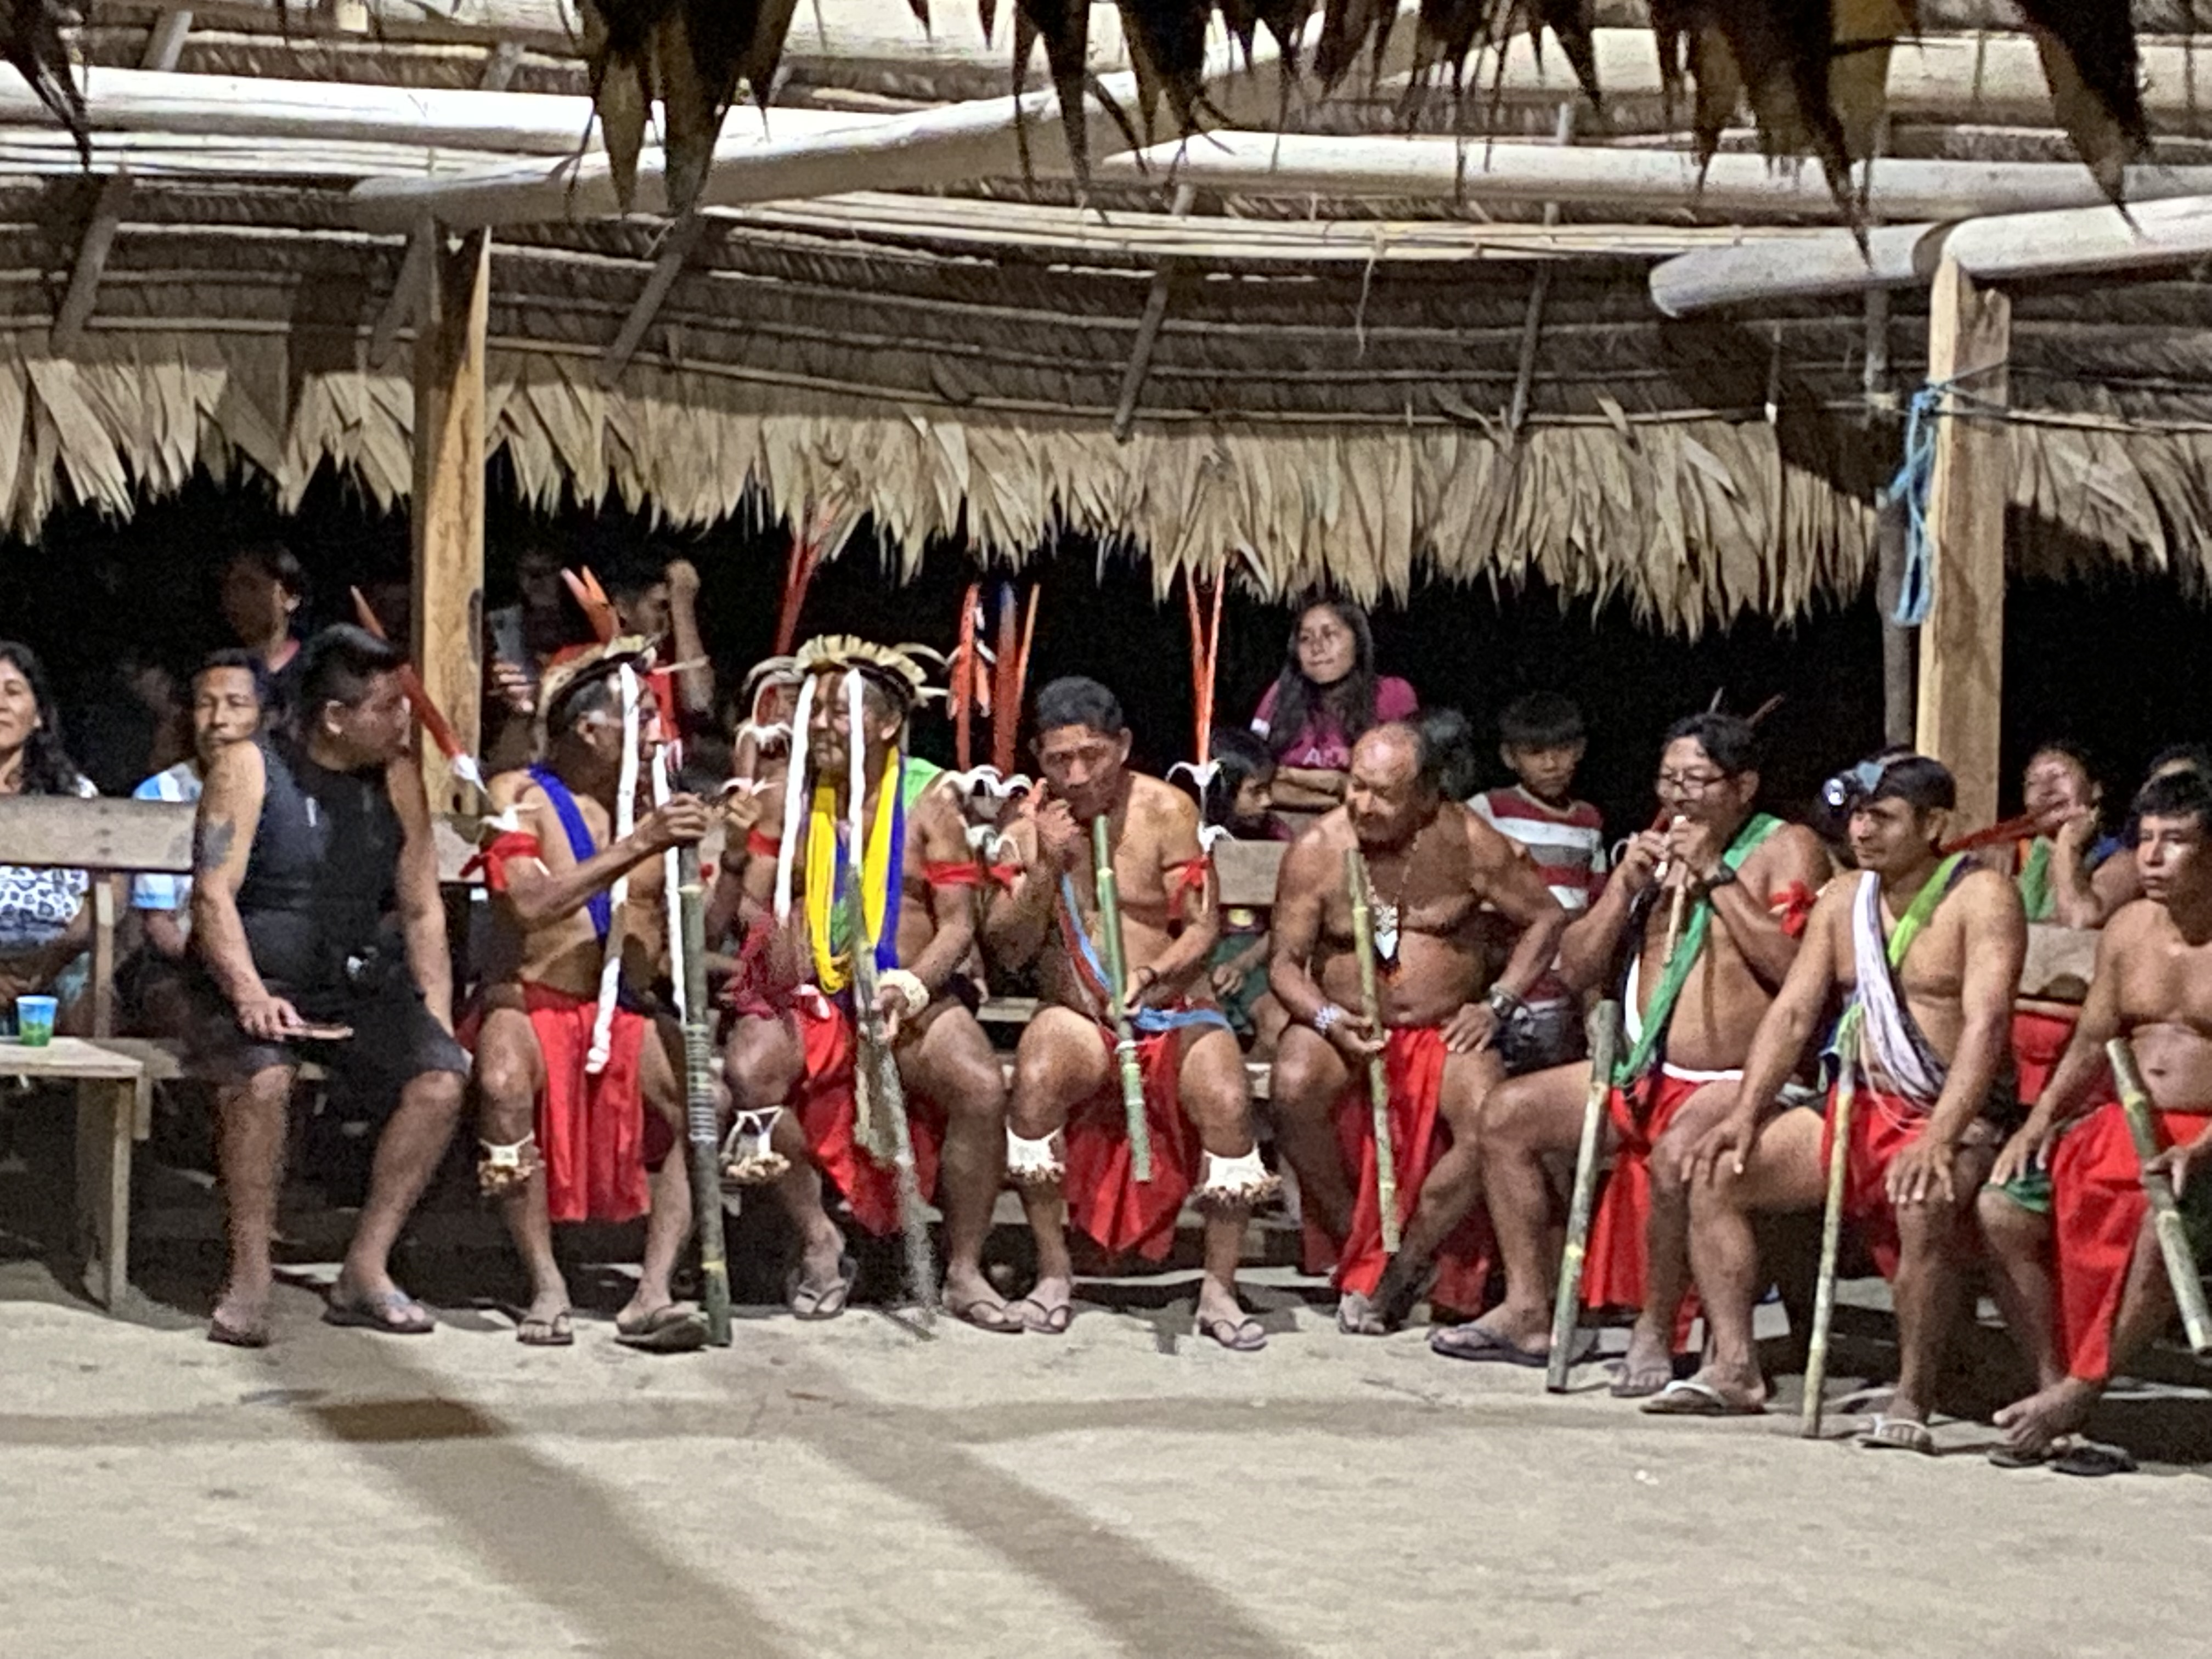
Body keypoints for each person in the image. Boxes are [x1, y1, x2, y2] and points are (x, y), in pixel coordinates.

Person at [1439, 713, 1830, 1384]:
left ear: (1743, 786)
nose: (1678, 795)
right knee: (1506, 1115)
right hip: (1643, 1069)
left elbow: (1796, 970)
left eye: (1698, 780)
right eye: (1668, 779)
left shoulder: (1785, 846)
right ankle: (1529, 1306)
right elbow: (1576, 968)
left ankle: (1653, 1327)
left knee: (1682, 1151)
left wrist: (1717, 878)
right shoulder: (1648, 849)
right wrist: (1622, 887)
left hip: (1737, 1080)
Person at [1654, 754, 2023, 1437]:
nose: (1862, 831)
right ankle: (1734, 1367)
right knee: (1716, 1169)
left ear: (1935, 823)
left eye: (1882, 817)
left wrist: (1940, 1137)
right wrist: (1745, 1114)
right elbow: (1793, 1015)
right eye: (1857, 816)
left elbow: (1987, 1026)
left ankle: (1913, 1395)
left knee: (1922, 1200)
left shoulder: (1981, 899)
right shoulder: (1845, 899)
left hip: (1949, 1117)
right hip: (1854, 1109)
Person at [713, 636, 1016, 1331]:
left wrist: (911, 987)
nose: (819, 725)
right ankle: (820, 1241)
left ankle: (964, 1267)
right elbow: (746, 914)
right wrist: (750, 891)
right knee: (750, 1071)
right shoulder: (780, 801)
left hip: (910, 994)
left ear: (886, 725)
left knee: (979, 1084)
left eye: (839, 713)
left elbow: (957, 926)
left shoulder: (931, 798)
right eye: (812, 710)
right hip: (809, 990)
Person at [188, 625, 467, 1347]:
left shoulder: (397, 779)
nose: (405, 722)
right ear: (336, 718)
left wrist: (435, 1017)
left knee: (440, 1080)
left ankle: (364, 1268)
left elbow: (420, 907)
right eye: (388, 708)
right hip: (247, 975)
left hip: (349, 984)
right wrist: (249, 991)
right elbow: (213, 895)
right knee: (266, 1082)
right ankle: (250, 1275)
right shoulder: (250, 768)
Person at [984, 676, 1277, 1348]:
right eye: (1060, 760)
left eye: (1093, 754)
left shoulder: (1168, 810)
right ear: (1038, 755)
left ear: (1122, 745)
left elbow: (1204, 929)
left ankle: (1220, 1290)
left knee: (1229, 1098)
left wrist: (1154, 974)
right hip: (1080, 1016)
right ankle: (1054, 1274)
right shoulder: (1026, 829)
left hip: (1174, 1008)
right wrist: (1048, 867)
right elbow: (1007, 945)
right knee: (1034, 1083)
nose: (1078, 774)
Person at [1267, 723, 1567, 1332]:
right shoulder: (1319, 850)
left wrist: (1499, 1003)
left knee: (1491, 1117)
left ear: (1427, 796)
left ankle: (1407, 1260)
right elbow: (1284, 964)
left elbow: (1545, 919)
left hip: (1446, 1029)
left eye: (1384, 793)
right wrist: (1326, 1016)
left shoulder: (1469, 843)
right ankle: (1362, 1243)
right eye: (1356, 787)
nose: (1363, 805)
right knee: (1293, 1082)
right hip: (1341, 1022)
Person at [469, 644, 714, 1350]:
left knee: (707, 1100)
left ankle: (653, 1290)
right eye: (641, 716)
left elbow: (692, 928)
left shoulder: (659, 805)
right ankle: (545, 1282)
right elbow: (530, 905)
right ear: (590, 729)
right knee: (503, 1081)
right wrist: (639, 844)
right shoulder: (518, 797)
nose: (658, 732)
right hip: (532, 998)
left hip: (627, 1012)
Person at [1980, 768, 2212, 1468]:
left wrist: (2201, 1150)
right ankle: (2056, 1394)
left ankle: (2081, 1391)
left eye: (2175, 842)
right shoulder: (2129, 929)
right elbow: (2092, 1040)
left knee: (2156, 1214)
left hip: (2202, 1146)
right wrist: (2038, 1121)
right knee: (2001, 1206)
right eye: (2144, 839)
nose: (2151, 857)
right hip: (2124, 1126)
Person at [124, 652, 263, 1035]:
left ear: (266, 715)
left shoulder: (283, 792)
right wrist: (223, 966)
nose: (219, 720)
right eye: (206, 704)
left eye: (236, 704)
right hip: (185, 964)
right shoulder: (159, 794)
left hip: (269, 966)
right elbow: (160, 923)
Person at [1470, 692, 1609, 1074]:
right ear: (1509, 757)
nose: (1551, 764)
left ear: (1579, 750)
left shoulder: (1589, 822)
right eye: (1535, 752)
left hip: (1564, 997)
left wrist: (1591, 1005)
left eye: (1562, 750)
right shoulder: (1487, 811)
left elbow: (1592, 912)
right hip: (1498, 993)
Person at [0, 642, 98, 1031]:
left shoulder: (73, 795)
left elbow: (107, 894)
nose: (0, 704)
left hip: (57, 957)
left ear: (39, 714)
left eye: (13, 692)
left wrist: (43, 964)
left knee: (97, 994)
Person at [1249, 601, 1417, 810]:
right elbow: (1253, 784)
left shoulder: (1391, 694)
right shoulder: (1280, 695)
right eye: (1305, 639)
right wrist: (1337, 788)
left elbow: (1398, 787)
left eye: (1330, 635)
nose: (1317, 648)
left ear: (1358, 642)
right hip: (1282, 832)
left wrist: (1288, 775)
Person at [1199, 727, 1291, 1046]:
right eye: (1256, 791)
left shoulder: (1278, 837)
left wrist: (1243, 963)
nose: (1269, 801)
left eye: (1269, 788)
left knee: (1277, 1021)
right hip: (1201, 955)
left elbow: (1288, 922)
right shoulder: (1193, 834)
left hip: (1257, 955)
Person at [218, 543, 309, 719]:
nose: (236, 599)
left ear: (290, 597)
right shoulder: (220, 673)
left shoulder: (315, 670)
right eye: (231, 588)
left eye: (251, 586)